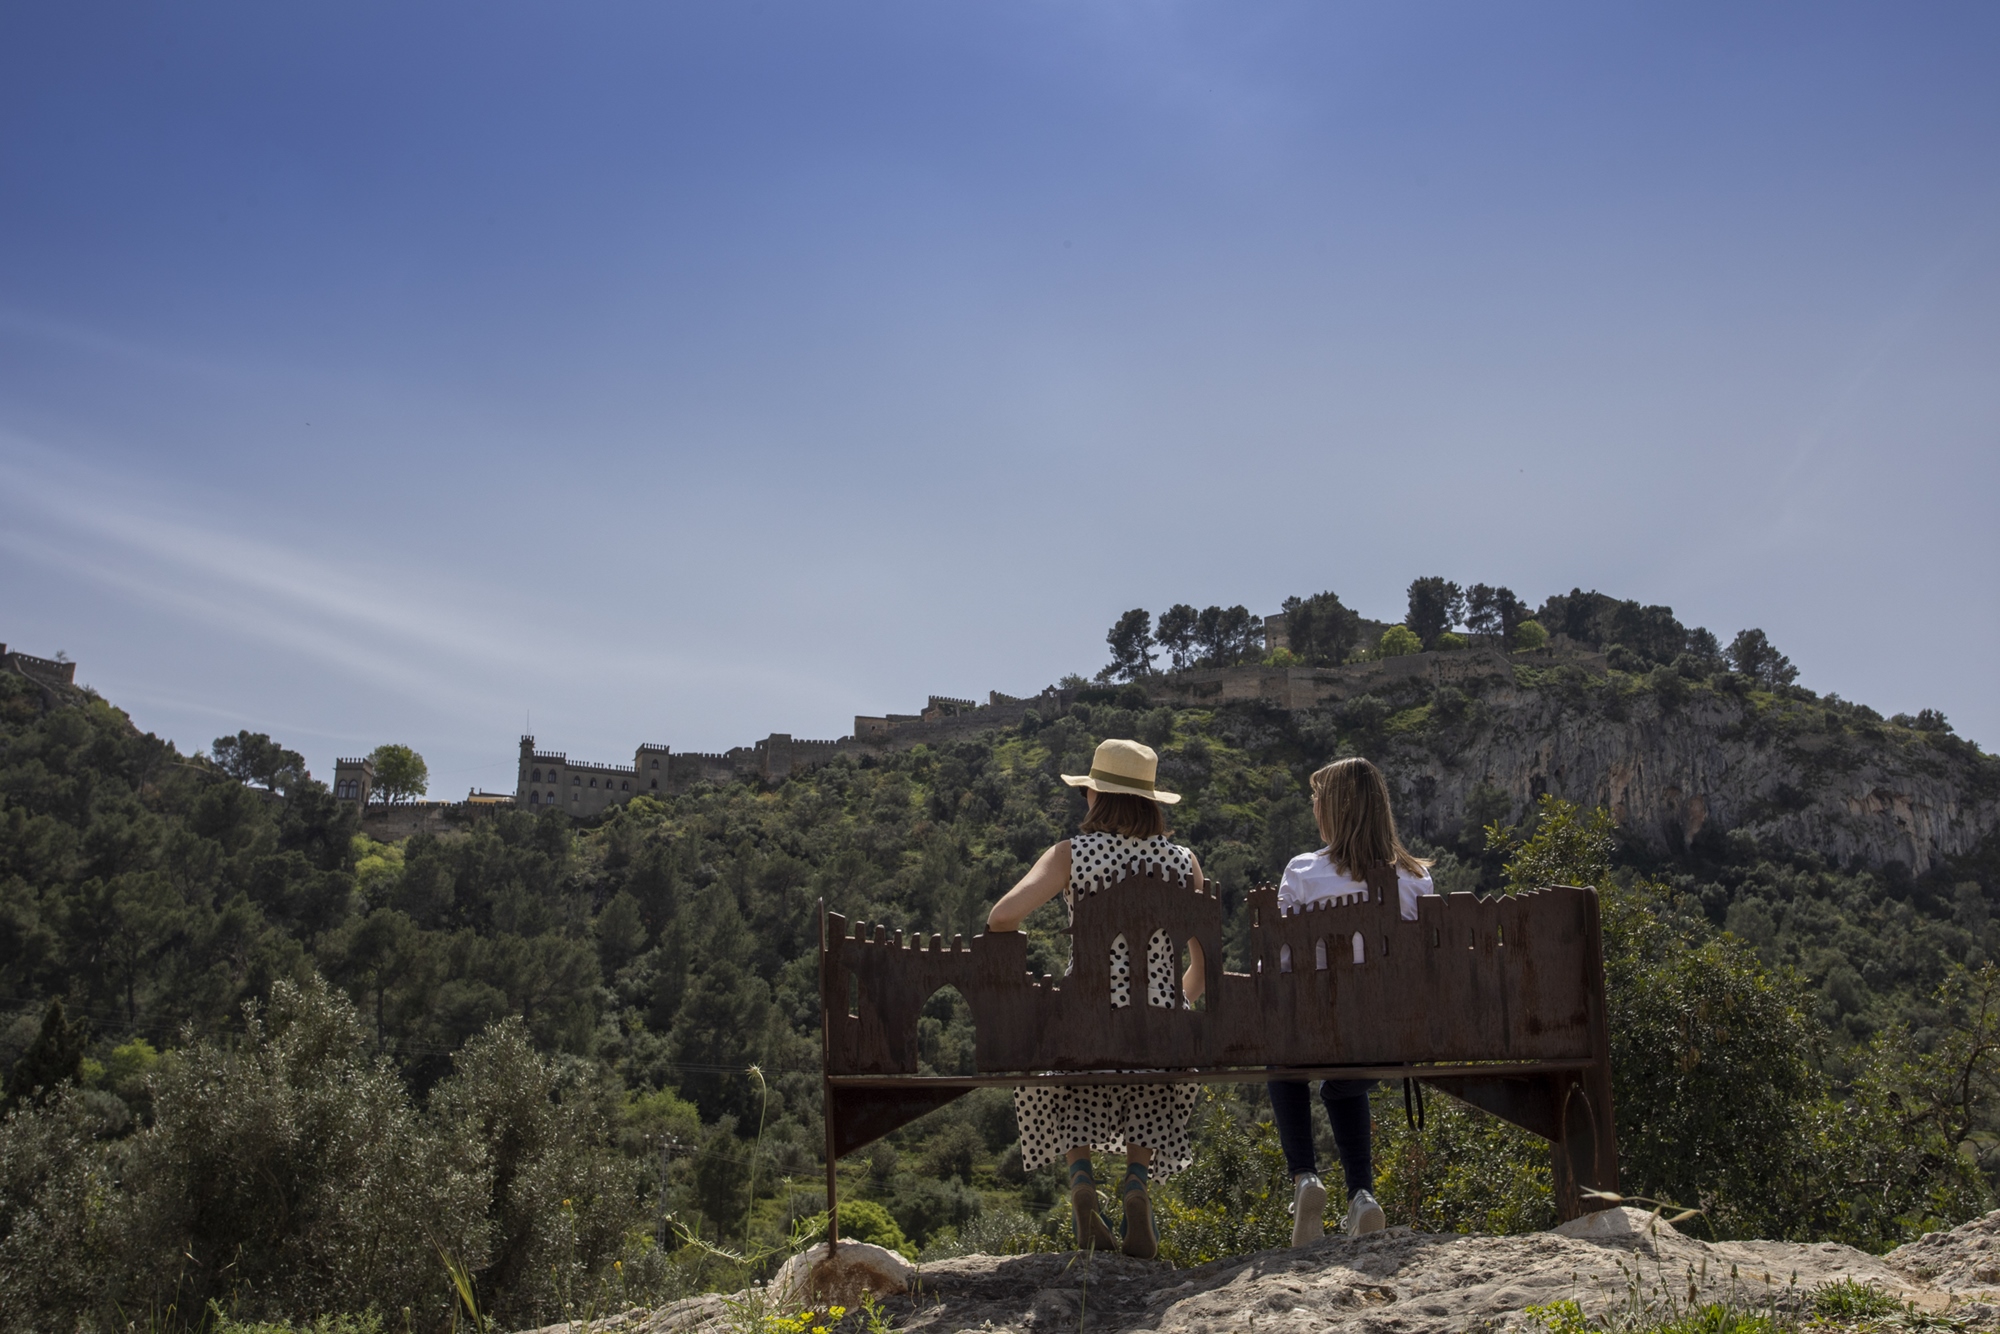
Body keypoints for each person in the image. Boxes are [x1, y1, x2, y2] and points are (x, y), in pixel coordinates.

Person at [985, 738, 1207, 1259]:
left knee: (1057, 1066)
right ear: (1150, 802)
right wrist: (1176, 1005)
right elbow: (1204, 962)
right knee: (1156, 1075)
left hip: (1083, 1020)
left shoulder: (1072, 854)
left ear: (1095, 796)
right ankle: (1136, 1180)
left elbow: (1001, 917)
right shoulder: (1184, 863)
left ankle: (1082, 1176)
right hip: (1161, 1028)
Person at [1269, 756, 1437, 1247]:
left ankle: (1305, 1177)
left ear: (1334, 809)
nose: (1313, 808)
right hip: (1391, 1039)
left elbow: (1280, 964)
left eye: (1316, 799)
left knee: (1282, 1062)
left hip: (1316, 1034)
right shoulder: (1416, 879)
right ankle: (1361, 1194)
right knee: (1341, 1085)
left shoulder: (1303, 872)